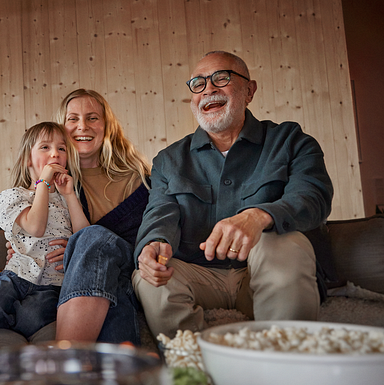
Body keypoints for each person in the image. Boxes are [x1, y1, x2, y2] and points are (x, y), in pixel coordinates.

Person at [133, 51, 334, 338]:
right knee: (149, 275)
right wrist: (154, 243)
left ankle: (283, 366)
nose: (209, 89)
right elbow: (160, 212)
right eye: (198, 83)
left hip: (264, 275)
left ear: (249, 91)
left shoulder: (291, 142)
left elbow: (313, 197)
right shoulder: (169, 159)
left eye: (221, 78)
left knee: (283, 244)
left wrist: (258, 217)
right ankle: (195, 369)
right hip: (199, 276)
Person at [46, 89, 152, 345]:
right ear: (62, 127)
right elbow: (28, 229)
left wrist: (79, 245)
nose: (82, 126)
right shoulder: (48, 181)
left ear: (107, 126)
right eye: (73, 119)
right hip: (98, 281)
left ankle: (66, 359)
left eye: (92, 118)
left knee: (92, 237)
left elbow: (153, 233)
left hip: (131, 264)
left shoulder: (137, 176)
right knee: (111, 287)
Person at [0, 122, 89, 338]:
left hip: (53, 284)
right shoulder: (14, 196)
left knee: (33, 318)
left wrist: (69, 195)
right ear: (27, 159)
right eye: (45, 147)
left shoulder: (67, 198)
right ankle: (5, 321)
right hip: (17, 275)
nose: (55, 154)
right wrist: (43, 183)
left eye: (61, 149)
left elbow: (85, 238)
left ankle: (15, 325)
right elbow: (35, 227)